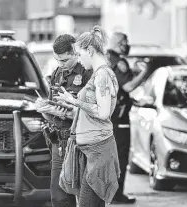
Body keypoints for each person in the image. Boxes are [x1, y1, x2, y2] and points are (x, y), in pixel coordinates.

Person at [55, 26, 120, 207]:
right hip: (91, 150)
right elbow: (91, 111)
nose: (79, 59)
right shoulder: (100, 75)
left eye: (80, 54)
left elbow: (103, 112)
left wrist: (77, 102)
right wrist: (69, 102)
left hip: (99, 150)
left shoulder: (102, 75)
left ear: (90, 51)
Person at [35, 34, 92, 207]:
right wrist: (46, 110)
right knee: (59, 197)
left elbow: (95, 113)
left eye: (65, 60)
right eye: (57, 60)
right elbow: (53, 108)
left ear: (75, 52)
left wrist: (69, 114)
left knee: (87, 197)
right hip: (59, 143)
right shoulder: (57, 73)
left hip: (80, 142)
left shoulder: (88, 73)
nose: (61, 64)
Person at [106, 32, 148, 204]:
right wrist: (145, 72)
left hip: (107, 115)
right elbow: (129, 86)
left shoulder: (105, 59)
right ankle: (117, 195)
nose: (127, 44)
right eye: (125, 41)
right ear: (118, 43)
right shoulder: (120, 62)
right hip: (119, 118)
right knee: (121, 156)